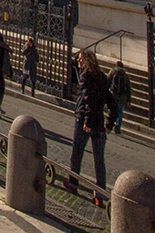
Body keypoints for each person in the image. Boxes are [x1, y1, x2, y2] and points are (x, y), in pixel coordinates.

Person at [68, 49, 112, 197]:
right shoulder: (102, 77)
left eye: (81, 60)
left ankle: (73, 183)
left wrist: (87, 120)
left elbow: (88, 100)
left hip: (84, 122)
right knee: (99, 159)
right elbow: (111, 102)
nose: (79, 62)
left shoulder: (85, 77)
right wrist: (110, 124)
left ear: (86, 61)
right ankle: (100, 193)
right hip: (99, 123)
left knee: (77, 153)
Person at [107, 62, 132, 134]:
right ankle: (118, 125)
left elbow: (108, 82)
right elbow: (128, 89)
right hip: (122, 97)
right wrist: (129, 100)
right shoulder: (125, 75)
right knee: (120, 112)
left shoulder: (112, 72)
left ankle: (111, 123)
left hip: (113, 95)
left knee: (111, 110)